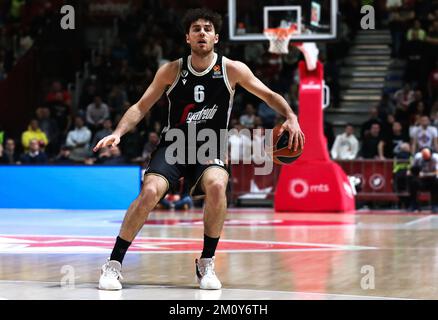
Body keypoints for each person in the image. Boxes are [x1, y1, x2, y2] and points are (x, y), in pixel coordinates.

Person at [94, 8, 304, 291]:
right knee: (149, 192)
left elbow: (268, 95)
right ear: (187, 38)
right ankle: (114, 264)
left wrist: (290, 116)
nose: (202, 32)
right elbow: (141, 106)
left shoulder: (232, 69)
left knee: (217, 185)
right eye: (196, 29)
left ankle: (206, 262)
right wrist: (118, 133)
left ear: (216, 38)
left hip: (211, 144)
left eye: (207, 28)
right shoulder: (171, 70)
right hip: (175, 144)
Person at [408, 148, 438, 212]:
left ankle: (434, 205)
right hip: (421, 180)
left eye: (427, 157)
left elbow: (436, 172)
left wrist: (425, 174)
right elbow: (411, 170)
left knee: (436, 182)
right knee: (413, 182)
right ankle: (414, 205)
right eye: (424, 157)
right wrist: (412, 173)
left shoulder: (436, 158)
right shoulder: (418, 158)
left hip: (432, 179)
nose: (426, 159)